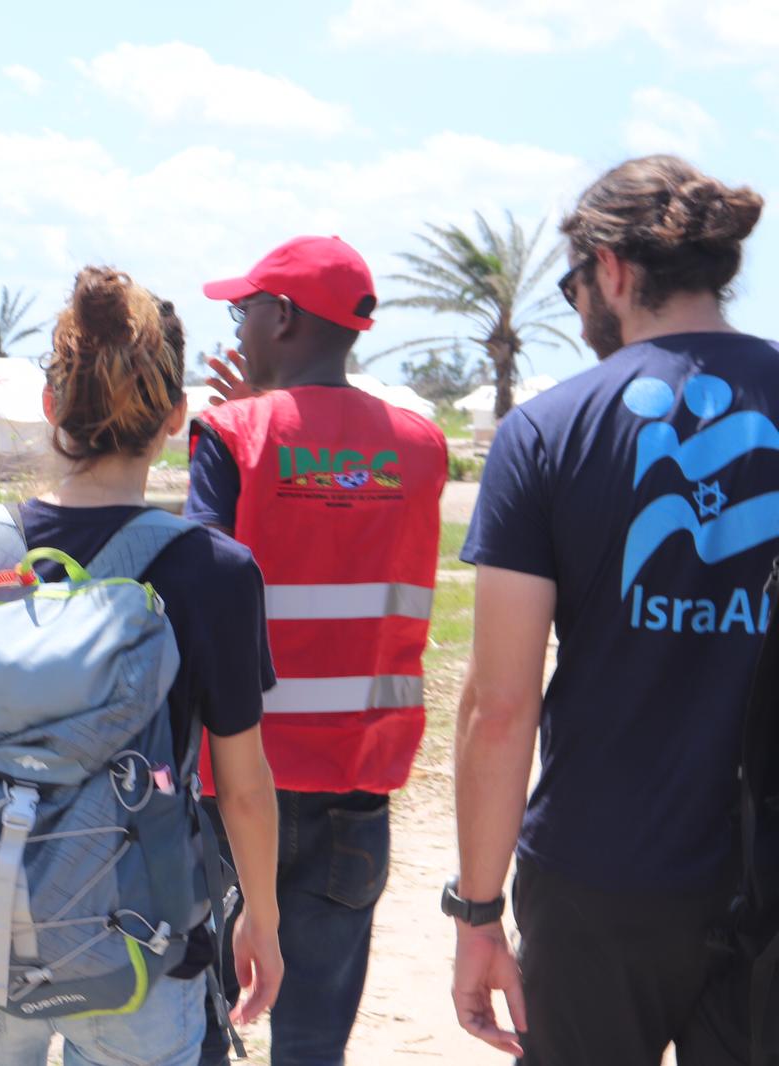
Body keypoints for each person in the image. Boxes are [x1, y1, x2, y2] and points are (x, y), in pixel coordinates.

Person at [0, 267, 284, 1065]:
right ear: (176, 417)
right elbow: (241, 788)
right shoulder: (214, 570)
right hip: (143, 946)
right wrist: (263, 923)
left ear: (51, 407)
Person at [449, 155, 777, 1065]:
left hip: (600, 876)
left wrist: (478, 913)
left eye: (574, 283)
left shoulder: (544, 433)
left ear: (614, 269)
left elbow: (499, 705)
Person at [188, 236, 448, 1066]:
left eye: (245, 310)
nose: (239, 328)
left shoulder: (232, 435)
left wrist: (259, 411)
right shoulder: (421, 445)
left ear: (285, 316)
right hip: (356, 788)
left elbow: (200, 592)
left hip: (238, 779)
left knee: (202, 1030)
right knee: (312, 1049)